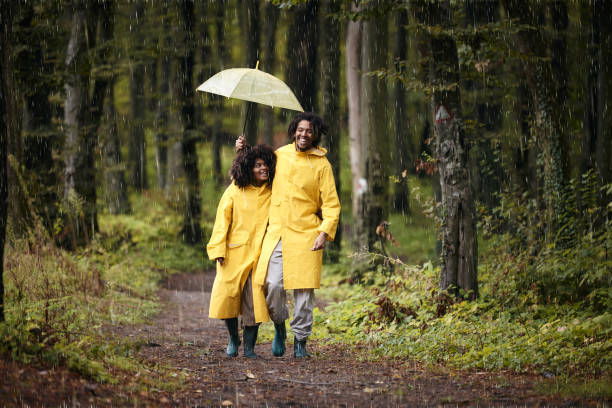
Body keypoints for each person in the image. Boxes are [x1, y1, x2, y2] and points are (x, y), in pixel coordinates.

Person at [237, 112, 341, 358]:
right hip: (279, 232)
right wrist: (243, 150)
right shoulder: (280, 155)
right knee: (272, 285)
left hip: (307, 234)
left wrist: (324, 233)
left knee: (304, 294)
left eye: (309, 131)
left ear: (316, 135)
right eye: (301, 130)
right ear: (294, 130)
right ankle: (279, 326)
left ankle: (300, 343)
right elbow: (255, 169)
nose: (304, 135)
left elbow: (331, 204)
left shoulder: (322, 165)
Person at [206, 145, 276, 358]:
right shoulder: (235, 190)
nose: (263, 168)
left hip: (259, 254)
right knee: (227, 297)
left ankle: (249, 348)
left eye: (266, 165)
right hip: (233, 253)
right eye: (258, 165)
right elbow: (222, 221)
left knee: (254, 301)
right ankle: (233, 338)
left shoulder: (272, 191)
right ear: (248, 169)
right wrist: (218, 247)